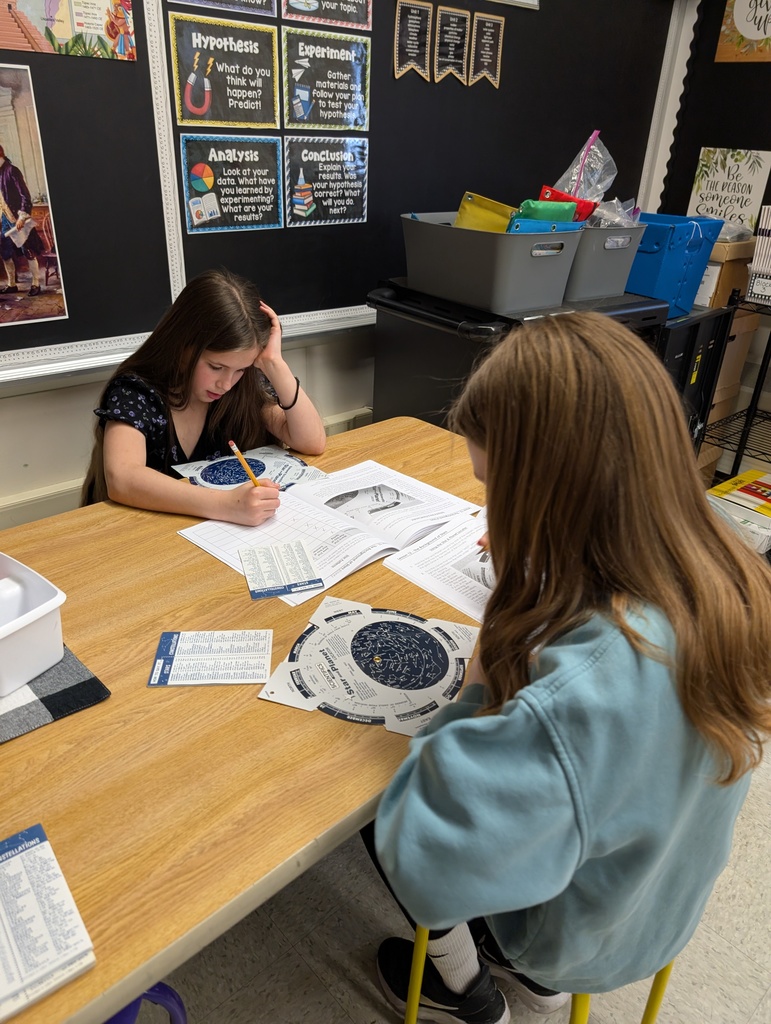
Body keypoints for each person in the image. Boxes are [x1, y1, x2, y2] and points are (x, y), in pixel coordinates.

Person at [369, 312, 771, 1024]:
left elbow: (420, 855)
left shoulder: (580, 697)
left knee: (376, 807)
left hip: (571, 936)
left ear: (550, 494)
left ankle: (464, 991)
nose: (492, 509)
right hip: (663, 899)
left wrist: (488, 655)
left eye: (495, 488)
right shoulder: (728, 566)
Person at [81, 267, 326, 525]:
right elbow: (123, 478)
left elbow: (311, 442)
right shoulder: (136, 390)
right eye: (215, 367)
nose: (226, 383)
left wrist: (275, 363)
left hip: (215, 535)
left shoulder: (242, 387)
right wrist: (226, 505)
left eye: (240, 369)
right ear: (184, 344)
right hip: (144, 532)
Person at [0, 144, 45, 297]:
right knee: (4, 251)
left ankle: (36, 284)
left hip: (18, 218)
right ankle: (12, 284)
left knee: (28, 251)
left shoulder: (11, 170)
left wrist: (22, 216)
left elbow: (25, 196)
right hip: (4, 219)